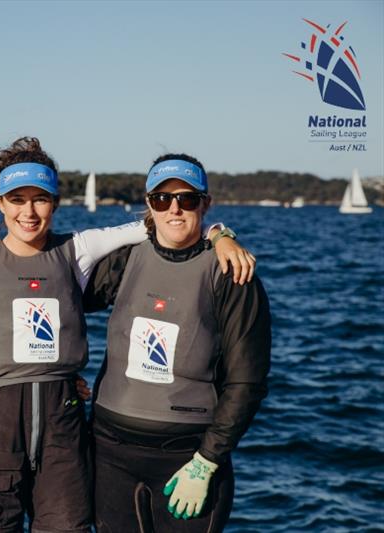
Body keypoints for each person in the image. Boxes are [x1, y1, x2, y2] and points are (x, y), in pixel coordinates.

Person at [0, 137, 256, 532]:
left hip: (63, 422)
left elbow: (163, 225)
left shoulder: (79, 249)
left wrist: (219, 233)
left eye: (40, 199)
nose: (28, 212)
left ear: (56, 203)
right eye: (16, 200)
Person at [83, 154, 271, 532]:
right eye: (161, 199)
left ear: (205, 203)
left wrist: (207, 461)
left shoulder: (232, 274)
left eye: (187, 199)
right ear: (148, 205)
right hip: (109, 454)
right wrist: (58, 372)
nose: (174, 209)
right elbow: (60, 304)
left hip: (187, 458)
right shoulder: (123, 260)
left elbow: (247, 382)